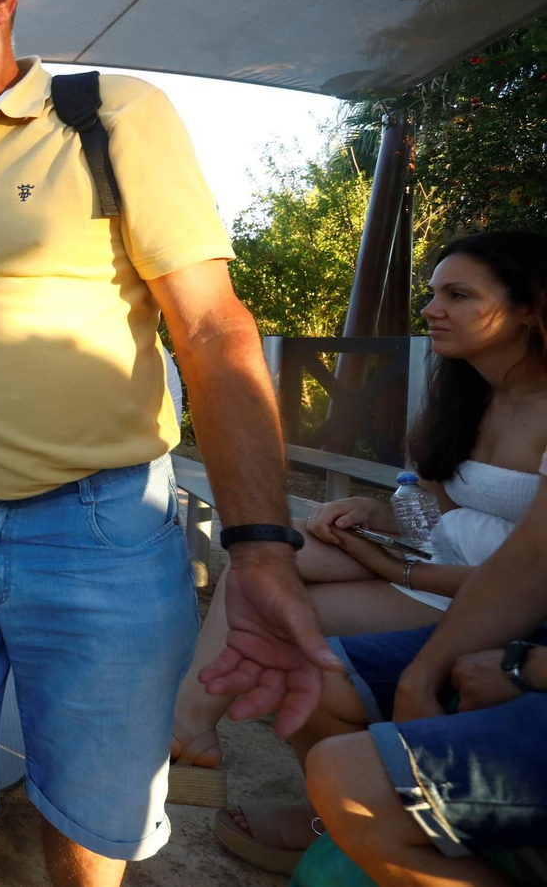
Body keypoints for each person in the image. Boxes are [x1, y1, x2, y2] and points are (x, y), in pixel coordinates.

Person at [0, 0, 332, 887]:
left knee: (89, 822)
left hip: (100, 536)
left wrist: (261, 552)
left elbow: (211, 328)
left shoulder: (107, 118)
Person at [191, 230, 547, 870]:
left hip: (483, 598)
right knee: (276, 556)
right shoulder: (473, 394)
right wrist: (372, 513)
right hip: (431, 564)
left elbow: (527, 571)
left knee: (297, 628)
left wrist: (400, 566)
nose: (432, 310)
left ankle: (295, 793)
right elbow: (437, 504)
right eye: (433, 294)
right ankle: (195, 724)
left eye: (458, 295)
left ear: (530, 308)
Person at [245, 449, 547, 885]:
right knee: (304, 652)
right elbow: (526, 560)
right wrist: (418, 680)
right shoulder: (462, 399)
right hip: (493, 606)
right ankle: (324, 825)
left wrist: (525, 669)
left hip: (491, 618)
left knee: (347, 777)